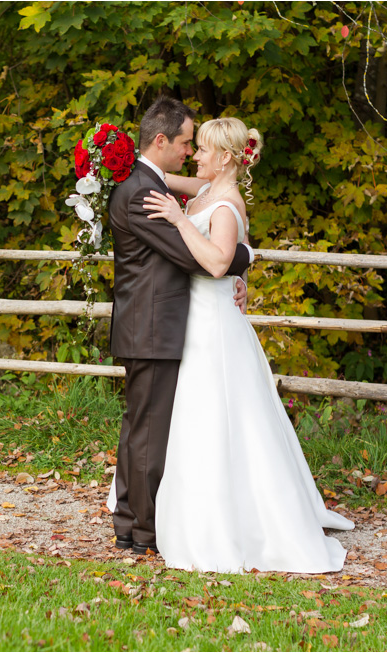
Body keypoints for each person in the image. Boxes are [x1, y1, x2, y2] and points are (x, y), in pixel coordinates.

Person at [140, 116, 355, 573]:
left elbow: (218, 262)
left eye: (201, 149)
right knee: (202, 415)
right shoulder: (205, 189)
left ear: (223, 158)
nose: (194, 155)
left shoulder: (224, 204)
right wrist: (124, 162)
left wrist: (180, 220)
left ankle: (233, 522)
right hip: (197, 316)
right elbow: (160, 174)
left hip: (213, 324)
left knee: (220, 415)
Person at [106, 97, 253, 555]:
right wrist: (244, 258)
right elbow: (195, 256)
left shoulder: (151, 181)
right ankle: (141, 531)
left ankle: (132, 524)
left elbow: (209, 215)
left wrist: (235, 260)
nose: (191, 151)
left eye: (199, 145)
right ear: (162, 140)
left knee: (142, 429)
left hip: (156, 325)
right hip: (151, 328)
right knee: (147, 432)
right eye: (187, 143)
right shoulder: (141, 193)